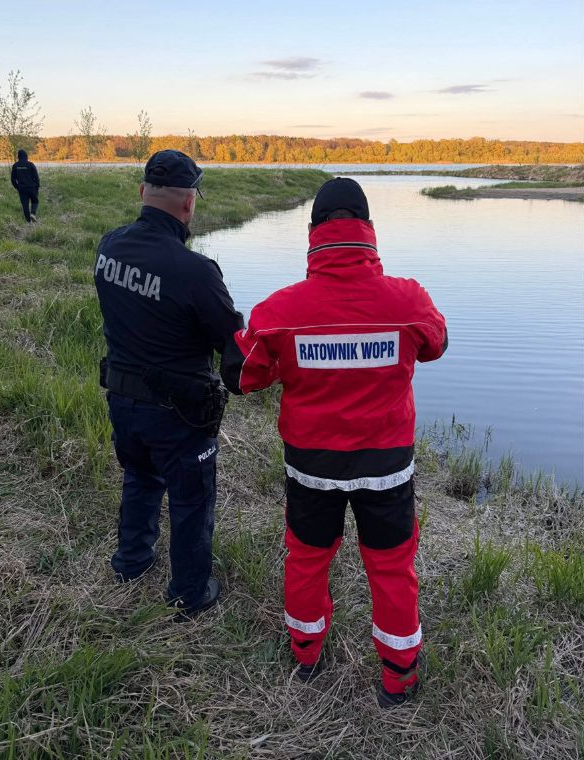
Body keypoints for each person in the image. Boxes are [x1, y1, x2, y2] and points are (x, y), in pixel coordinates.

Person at [232, 178, 448, 707]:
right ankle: (398, 681)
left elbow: (246, 377)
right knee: (393, 567)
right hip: (387, 467)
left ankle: (306, 658)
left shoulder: (280, 312)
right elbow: (435, 344)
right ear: (369, 231)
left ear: (312, 235)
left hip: (312, 467)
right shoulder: (409, 299)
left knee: (307, 559)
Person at [94, 149, 244, 617]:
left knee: (139, 476)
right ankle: (190, 592)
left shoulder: (108, 247)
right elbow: (233, 342)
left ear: (143, 193)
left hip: (122, 401)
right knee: (191, 501)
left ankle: (131, 562)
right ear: (189, 204)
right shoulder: (196, 271)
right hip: (179, 414)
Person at [10, 149, 40, 223]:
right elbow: (36, 177)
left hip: (22, 188)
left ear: (18, 156)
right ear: (26, 156)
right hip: (31, 187)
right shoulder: (30, 164)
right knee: (35, 201)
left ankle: (29, 222)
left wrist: (17, 187)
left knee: (25, 204)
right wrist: (37, 187)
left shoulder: (15, 165)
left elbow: (13, 179)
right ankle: (33, 214)